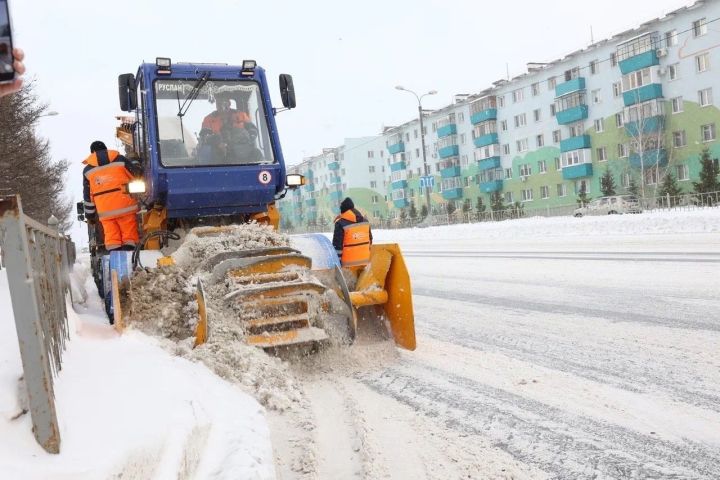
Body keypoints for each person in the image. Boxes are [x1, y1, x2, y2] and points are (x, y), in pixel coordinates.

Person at [82, 141, 143, 251]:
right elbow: (136, 174)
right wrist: (135, 162)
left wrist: (90, 216)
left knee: (112, 238)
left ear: (92, 153)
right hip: (125, 206)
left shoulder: (88, 171)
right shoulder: (120, 160)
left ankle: (116, 261)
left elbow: (88, 197)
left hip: (105, 212)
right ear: (106, 149)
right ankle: (130, 258)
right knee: (129, 237)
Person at [199, 97, 260, 163]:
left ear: (229, 103)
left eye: (225, 103)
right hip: (219, 153)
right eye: (219, 104)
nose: (222, 106)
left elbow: (253, 130)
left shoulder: (241, 115)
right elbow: (204, 136)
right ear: (216, 105)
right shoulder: (209, 119)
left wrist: (247, 140)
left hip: (240, 149)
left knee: (257, 155)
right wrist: (218, 142)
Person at [332, 197, 373, 267]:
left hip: (347, 264)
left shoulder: (340, 223)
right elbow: (370, 240)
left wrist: (337, 262)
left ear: (343, 210)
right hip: (365, 262)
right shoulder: (365, 222)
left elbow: (337, 246)